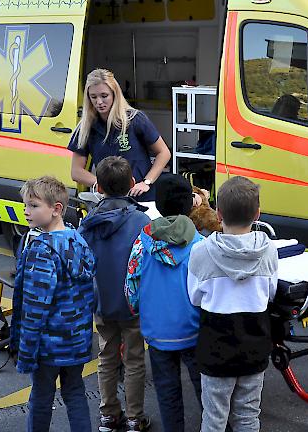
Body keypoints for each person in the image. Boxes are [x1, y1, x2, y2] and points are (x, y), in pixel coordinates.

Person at [187, 176, 278, 432]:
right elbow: (271, 292)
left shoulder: (201, 252)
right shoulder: (269, 250)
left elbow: (194, 296)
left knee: (214, 417)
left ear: (218, 213)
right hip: (255, 342)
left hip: (216, 344)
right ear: (257, 213)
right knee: (248, 415)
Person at [11, 176, 96, 432]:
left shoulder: (41, 250)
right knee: (75, 393)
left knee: (40, 399)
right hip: (77, 340)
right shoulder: (78, 240)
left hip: (48, 346)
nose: (27, 211)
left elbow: (35, 307)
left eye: (34, 205)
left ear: (56, 208)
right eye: (26, 205)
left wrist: (25, 351)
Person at [125, 174, 205, 432]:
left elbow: (132, 287)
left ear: (158, 205)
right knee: (206, 391)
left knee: (167, 393)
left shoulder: (143, 242)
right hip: (194, 331)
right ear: (190, 205)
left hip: (157, 332)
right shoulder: (200, 245)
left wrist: (138, 310)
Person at [77, 156, 152, 432]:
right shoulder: (141, 220)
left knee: (106, 357)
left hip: (102, 302)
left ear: (98, 187)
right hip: (132, 304)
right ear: (132, 184)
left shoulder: (88, 223)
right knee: (134, 359)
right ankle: (134, 417)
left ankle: (108, 414)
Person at [68, 68, 171, 202]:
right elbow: (76, 172)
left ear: (115, 94)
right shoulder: (85, 128)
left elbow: (164, 152)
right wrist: (102, 185)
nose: (99, 102)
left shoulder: (135, 119)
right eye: (93, 97)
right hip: (109, 201)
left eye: (104, 96)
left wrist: (146, 182)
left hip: (142, 198)